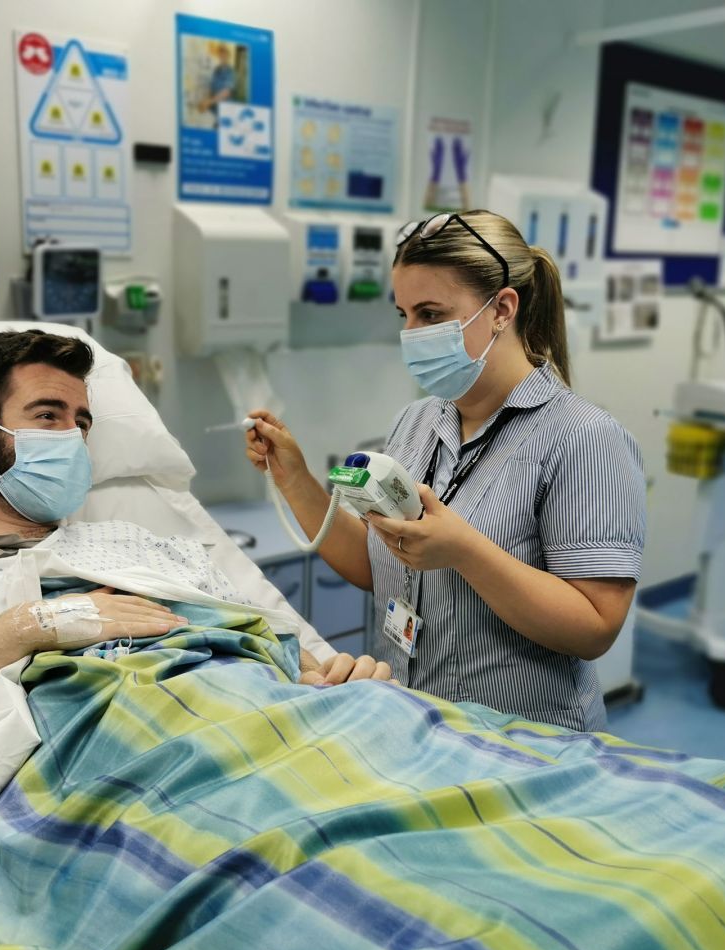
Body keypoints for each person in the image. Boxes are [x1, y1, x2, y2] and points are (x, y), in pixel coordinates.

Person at [0, 330, 389, 794]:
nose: (71, 437)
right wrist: (29, 629)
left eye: (80, 423)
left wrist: (335, 683)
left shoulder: (144, 547)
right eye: (47, 416)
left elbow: (281, 658)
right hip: (116, 779)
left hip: (269, 739)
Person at [245, 211, 645, 732]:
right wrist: (294, 478)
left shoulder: (584, 438)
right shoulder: (415, 422)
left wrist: (463, 550)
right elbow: (377, 566)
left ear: (502, 309)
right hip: (410, 723)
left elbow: (596, 626)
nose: (411, 334)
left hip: (524, 743)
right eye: (404, 315)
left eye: (431, 314)